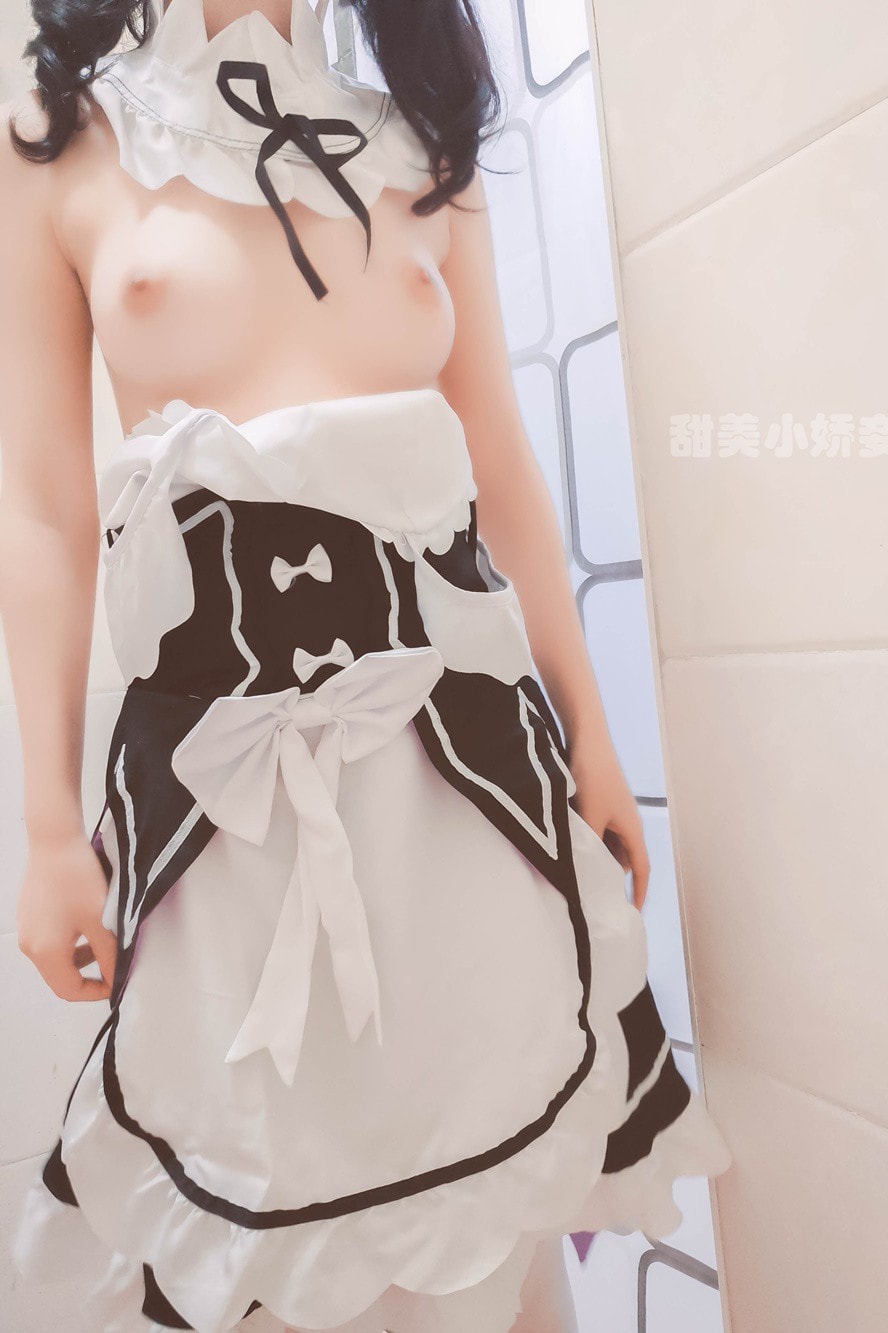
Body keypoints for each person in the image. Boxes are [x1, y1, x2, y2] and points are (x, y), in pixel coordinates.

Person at [0, 0, 731, 1329]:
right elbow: (43, 510)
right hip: (221, 801)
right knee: (261, 1234)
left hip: (474, 776)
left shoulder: (420, 141)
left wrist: (592, 731)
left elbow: (498, 456)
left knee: (490, 1212)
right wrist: (50, 828)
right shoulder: (64, 140)